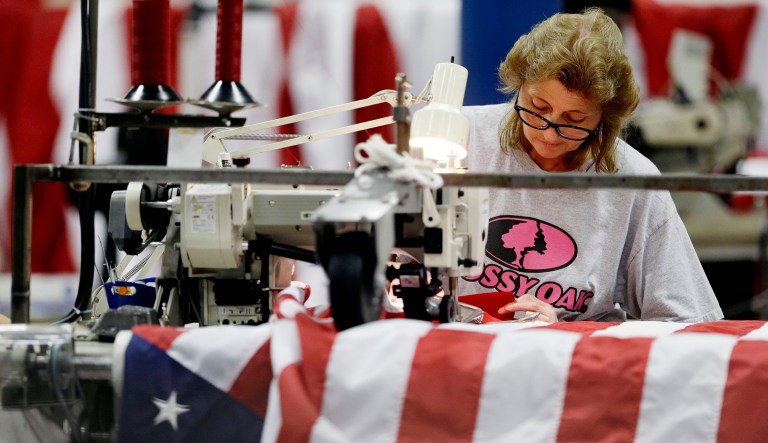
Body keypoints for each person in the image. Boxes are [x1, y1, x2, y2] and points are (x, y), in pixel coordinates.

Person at [457, 8, 723, 323]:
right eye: (538, 107)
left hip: (572, 362)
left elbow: (688, 321)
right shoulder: (458, 138)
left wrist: (566, 336)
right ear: (518, 84)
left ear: (604, 119)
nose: (548, 131)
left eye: (574, 120)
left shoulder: (632, 181)